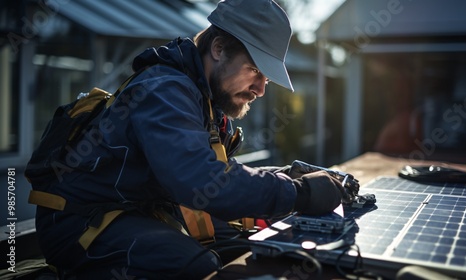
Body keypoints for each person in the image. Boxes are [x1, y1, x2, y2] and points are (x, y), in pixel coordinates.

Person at [29, 0, 354, 279]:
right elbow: (202, 182)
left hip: (138, 211)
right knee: (197, 266)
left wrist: (286, 176)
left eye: (265, 78)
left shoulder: (202, 97)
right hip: (79, 224)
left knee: (247, 245)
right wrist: (299, 192)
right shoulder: (165, 91)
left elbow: (220, 172)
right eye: (255, 70)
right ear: (218, 48)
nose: (260, 89)